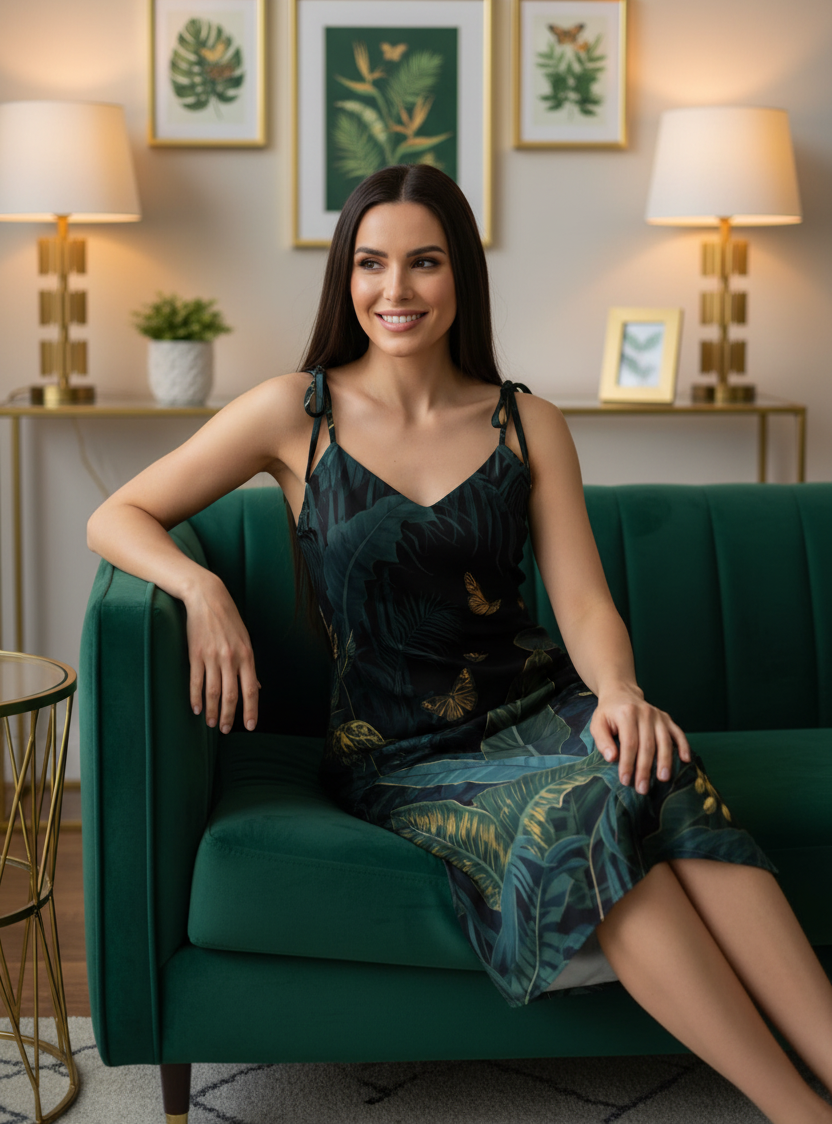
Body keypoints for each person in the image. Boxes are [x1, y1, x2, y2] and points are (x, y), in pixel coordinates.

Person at [87, 164, 832, 1124]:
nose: (395, 291)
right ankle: (796, 1112)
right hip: (400, 751)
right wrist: (198, 587)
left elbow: (584, 600)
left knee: (657, 766)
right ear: (346, 279)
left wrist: (617, 693)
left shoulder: (528, 424)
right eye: (372, 264)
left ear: (461, 275)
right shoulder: (293, 413)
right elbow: (121, 514)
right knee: (582, 814)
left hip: (537, 703)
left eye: (424, 263)